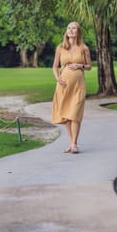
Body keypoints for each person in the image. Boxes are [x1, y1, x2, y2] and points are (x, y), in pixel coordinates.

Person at [51, 21, 92, 154]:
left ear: (78, 32)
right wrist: (58, 78)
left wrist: (79, 66)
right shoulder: (60, 47)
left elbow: (89, 66)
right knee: (67, 116)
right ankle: (72, 143)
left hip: (78, 86)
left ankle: (74, 144)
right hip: (63, 86)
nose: (71, 30)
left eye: (74, 28)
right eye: (69, 28)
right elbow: (54, 66)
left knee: (75, 114)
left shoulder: (84, 48)